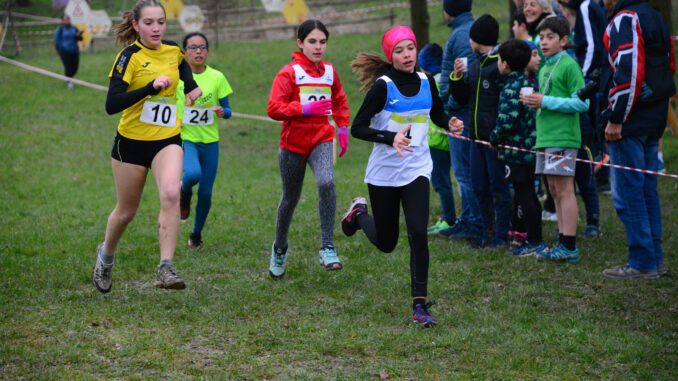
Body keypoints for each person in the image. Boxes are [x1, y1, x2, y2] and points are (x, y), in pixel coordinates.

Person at [342, 26, 464, 327]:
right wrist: (389, 137)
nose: (407, 54)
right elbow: (358, 127)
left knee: (419, 233)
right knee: (387, 243)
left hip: (416, 169)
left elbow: (435, 113)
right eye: (399, 50)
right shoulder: (383, 87)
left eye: (410, 47)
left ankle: (419, 305)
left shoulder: (425, 81)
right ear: (390, 55)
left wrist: (449, 121)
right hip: (384, 174)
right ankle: (358, 215)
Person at [91, 0, 202, 293]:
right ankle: (106, 257)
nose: (156, 28)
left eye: (161, 22)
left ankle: (166, 268)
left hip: (167, 140)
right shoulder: (128, 57)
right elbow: (112, 104)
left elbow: (181, 64)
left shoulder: (173, 49)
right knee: (126, 212)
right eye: (150, 23)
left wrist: (190, 87)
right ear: (137, 25)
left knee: (170, 193)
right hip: (131, 144)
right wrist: (150, 88)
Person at [266, 19, 350, 280]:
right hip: (292, 145)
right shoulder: (288, 73)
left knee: (326, 182)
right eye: (312, 41)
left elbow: (339, 100)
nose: (318, 47)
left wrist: (343, 127)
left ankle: (327, 247)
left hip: (322, 140)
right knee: (290, 198)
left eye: (322, 42)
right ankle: (279, 248)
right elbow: (273, 109)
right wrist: (302, 109)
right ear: (300, 43)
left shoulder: (330, 72)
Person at [600, 0, 675, 279]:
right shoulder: (654, 16)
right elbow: (668, 66)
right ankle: (655, 260)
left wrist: (616, 116)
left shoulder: (625, 18)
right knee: (646, 191)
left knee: (628, 194)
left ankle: (642, 262)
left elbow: (628, 70)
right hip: (653, 115)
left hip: (630, 121)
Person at [521, 16, 588, 263]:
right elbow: (546, 100)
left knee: (564, 188)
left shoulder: (569, 65)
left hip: (563, 136)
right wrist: (534, 102)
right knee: (553, 190)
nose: (544, 42)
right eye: (542, 37)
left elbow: (582, 102)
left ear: (563, 40)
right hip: (545, 136)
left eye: (550, 37)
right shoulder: (545, 66)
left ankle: (569, 245)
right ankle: (562, 239)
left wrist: (545, 101)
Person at [449, 14, 511, 248]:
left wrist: (498, 133)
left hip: (494, 141)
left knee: (498, 188)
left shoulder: (499, 66)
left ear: (477, 39)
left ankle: (502, 236)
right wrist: (456, 79)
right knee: (479, 186)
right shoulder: (474, 66)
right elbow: (464, 98)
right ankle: (486, 233)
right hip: (475, 138)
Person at [176, 32, 233, 250]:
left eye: (202, 47)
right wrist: (175, 119)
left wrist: (222, 111)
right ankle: (184, 192)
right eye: (193, 47)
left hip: (210, 143)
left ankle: (196, 234)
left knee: (207, 192)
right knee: (192, 174)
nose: (198, 51)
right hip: (186, 139)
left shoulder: (217, 77)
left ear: (208, 51)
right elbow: (166, 104)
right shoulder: (177, 77)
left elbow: (228, 110)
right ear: (184, 52)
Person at [490, 39, 546, 256]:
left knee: (525, 195)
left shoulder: (511, 88)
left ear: (504, 64)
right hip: (531, 149)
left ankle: (534, 242)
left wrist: (494, 138)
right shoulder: (528, 83)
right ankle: (534, 239)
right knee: (528, 194)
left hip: (518, 153)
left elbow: (505, 120)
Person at [560, 0, 608, 238]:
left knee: (583, 168)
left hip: (585, 100)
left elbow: (591, 46)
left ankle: (594, 220)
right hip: (572, 110)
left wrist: (584, 84)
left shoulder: (587, 6)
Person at [437, 0, 484, 241]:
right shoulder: (464, 30)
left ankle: (473, 222)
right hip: (461, 109)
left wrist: (452, 106)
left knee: (465, 172)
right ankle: (468, 218)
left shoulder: (461, 35)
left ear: (449, 9)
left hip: (461, 111)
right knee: (464, 171)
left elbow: (464, 78)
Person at [418, 43, 455, 235]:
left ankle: (448, 220)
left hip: (437, 140)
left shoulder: (432, 83)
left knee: (441, 182)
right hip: (443, 140)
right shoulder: (445, 79)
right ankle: (446, 218)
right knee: (443, 180)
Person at [54, 14, 83, 90]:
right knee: (68, 67)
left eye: (68, 19)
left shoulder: (74, 28)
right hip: (64, 52)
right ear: (62, 21)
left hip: (75, 51)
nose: (67, 21)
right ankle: (69, 82)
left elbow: (80, 39)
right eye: (65, 19)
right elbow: (57, 41)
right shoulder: (60, 30)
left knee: (75, 67)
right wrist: (60, 50)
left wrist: (78, 35)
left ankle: (68, 78)